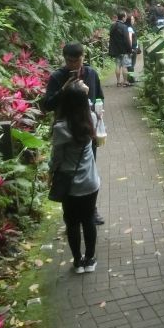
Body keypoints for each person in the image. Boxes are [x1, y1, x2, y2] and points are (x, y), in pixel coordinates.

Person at [42, 43, 105, 225]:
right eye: (70, 61)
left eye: (77, 60)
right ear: (64, 59)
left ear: (83, 57)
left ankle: (91, 210)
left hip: (87, 128)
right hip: (64, 131)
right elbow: (47, 105)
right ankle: (70, 213)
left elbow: (98, 96)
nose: (74, 65)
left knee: (89, 167)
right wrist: (64, 89)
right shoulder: (57, 77)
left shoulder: (91, 74)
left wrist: (99, 111)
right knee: (66, 170)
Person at [48, 85, 100, 274]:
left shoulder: (60, 128)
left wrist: (50, 171)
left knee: (72, 222)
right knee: (88, 220)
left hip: (70, 186)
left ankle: (77, 261)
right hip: (90, 181)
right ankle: (90, 259)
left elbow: (57, 159)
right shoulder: (91, 118)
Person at [108, 11, 133, 87]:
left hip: (115, 49)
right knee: (124, 66)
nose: (126, 18)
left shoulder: (113, 26)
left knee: (117, 65)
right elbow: (127, 39)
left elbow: (111, 38)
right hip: (123, 49)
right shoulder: (124, 26)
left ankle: (118, 82)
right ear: (123, 17)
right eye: (125, 16)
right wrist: (130, 49)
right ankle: (125, 81)